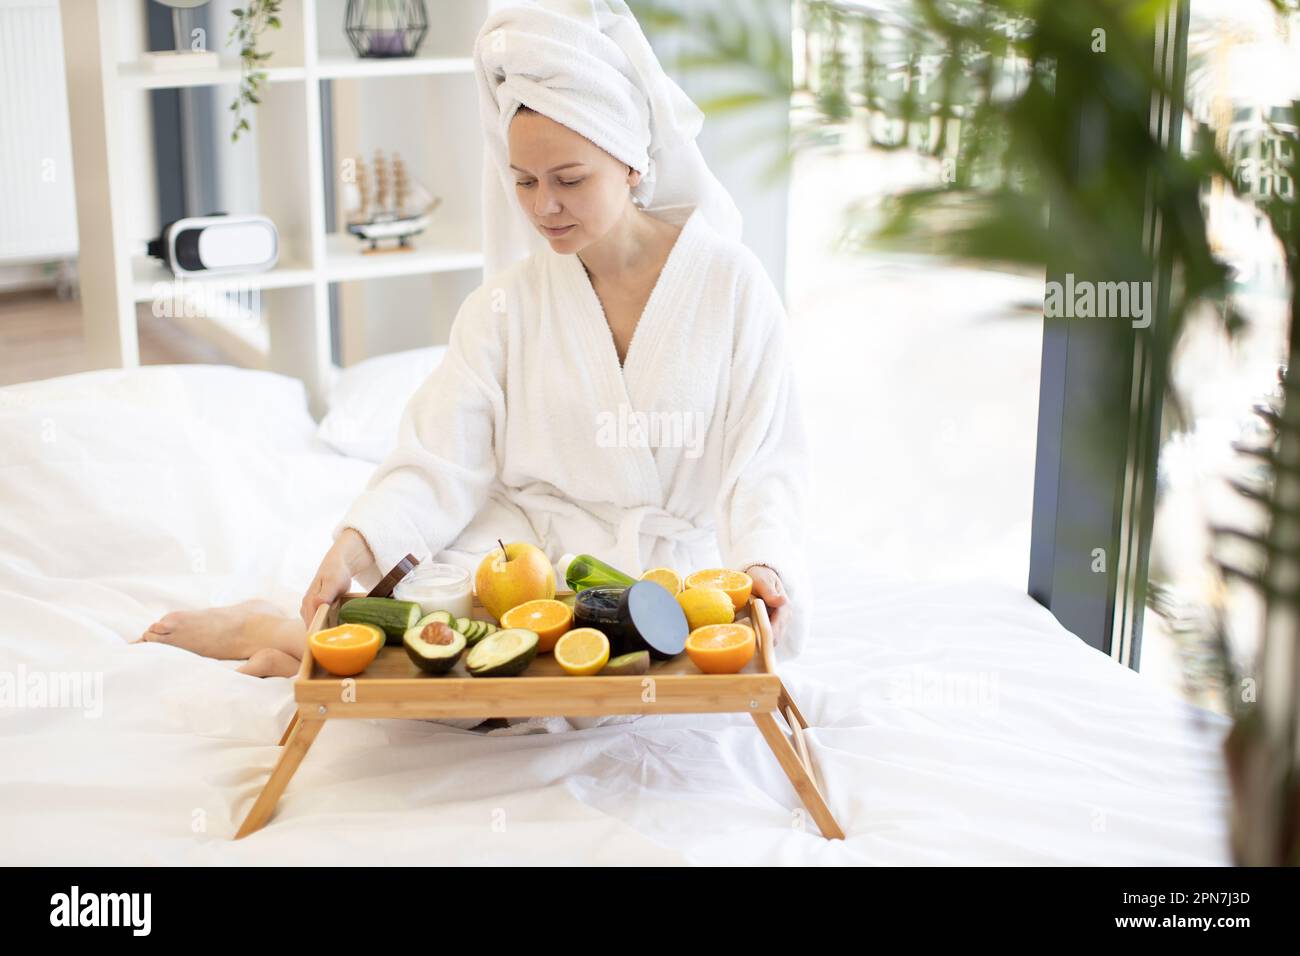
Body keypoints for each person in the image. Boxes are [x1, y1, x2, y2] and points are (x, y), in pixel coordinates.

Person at [138, 0, 811, 688]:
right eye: (523, 182)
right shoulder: (508, 303)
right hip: (521, 554)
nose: (543, 206)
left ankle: (289, 645)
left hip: (664, 580)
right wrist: (357, 541)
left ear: (634, 162)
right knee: (450, 657)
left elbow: (764, 464)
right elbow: (441, 452)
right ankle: (280, 627)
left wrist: (763, 565)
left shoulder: (731, 284)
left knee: (579, 686)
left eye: (569, 180)